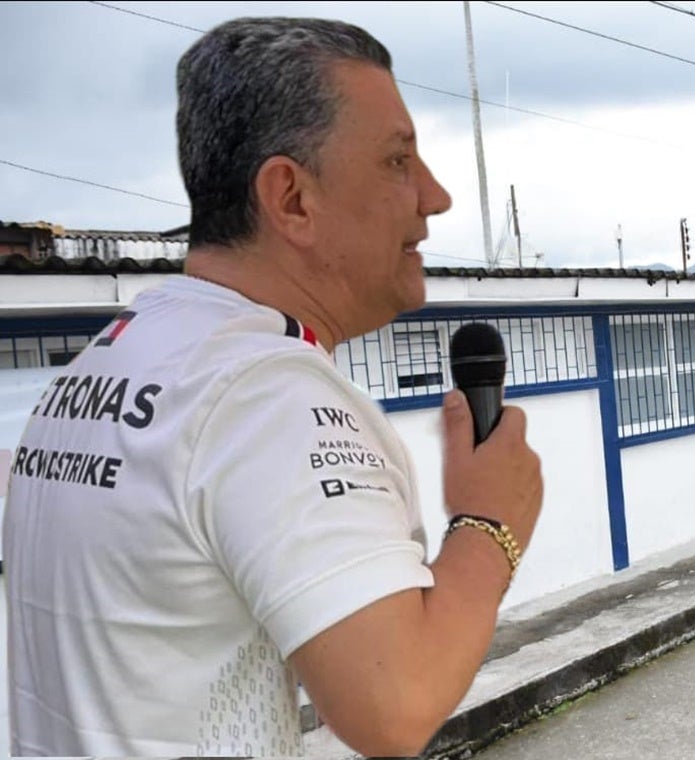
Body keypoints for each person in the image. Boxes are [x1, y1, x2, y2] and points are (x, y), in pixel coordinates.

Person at [3, 17, 543, 758]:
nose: (436, 196)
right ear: (290, 198)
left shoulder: (106, 363)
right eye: (397, 162)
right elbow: (396, 702)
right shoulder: (268, 394)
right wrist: (491, 522)